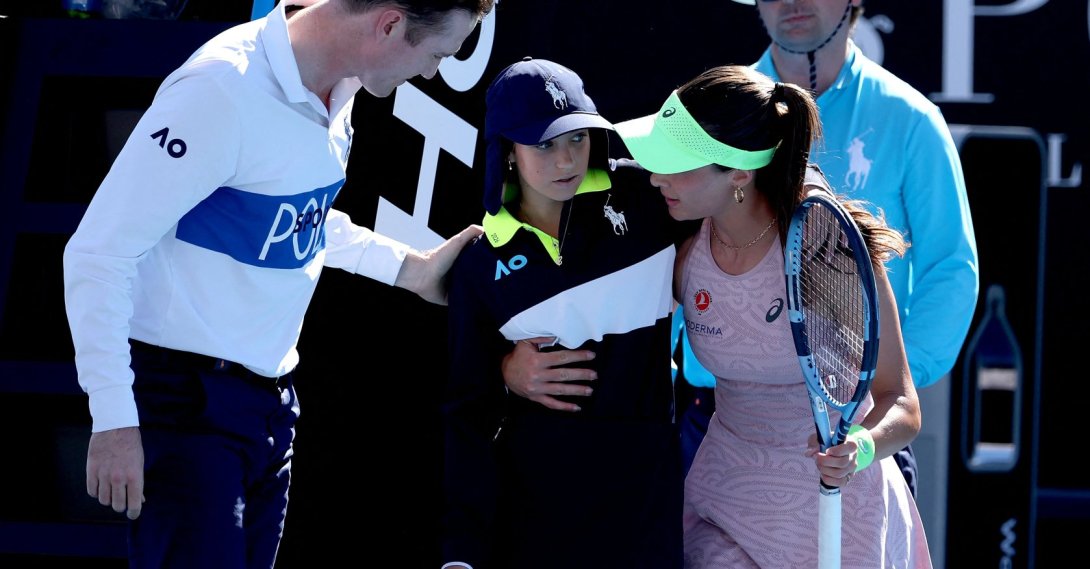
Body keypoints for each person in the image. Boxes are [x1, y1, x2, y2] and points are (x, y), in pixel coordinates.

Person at [61, 1, 493, 567]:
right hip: (184, 411)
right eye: (436, 54)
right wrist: (114, 417)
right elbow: (98, 253)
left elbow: (290, 211)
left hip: (270, 410)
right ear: (388, 25)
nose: (434, 72)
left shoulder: (340, 89)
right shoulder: (219, 90)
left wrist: (407, 269)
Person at [613, 64, 931, 567]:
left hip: (839, 515)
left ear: (738, 174)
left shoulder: (829, 251)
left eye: (676, 163)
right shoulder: (682, 249)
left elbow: (902, 403)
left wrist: (861, 448)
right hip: (723, 500)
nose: (656, 177)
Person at [670, 0, 980, 493]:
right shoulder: (714, 112)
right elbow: (672, 256)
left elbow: (952, 269)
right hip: (719, 425)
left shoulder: (912, 118)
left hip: (853, 437)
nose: (791, 1)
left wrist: (873, 394)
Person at [441, 57, 687, 569]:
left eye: (577, 137)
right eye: (544, 144)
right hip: (535, 524)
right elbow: (466, 414)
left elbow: (733, 193)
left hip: (647, 511)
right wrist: (461, 553)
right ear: (506, 150)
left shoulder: (649, 197)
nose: (566, 160)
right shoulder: (478, 266)